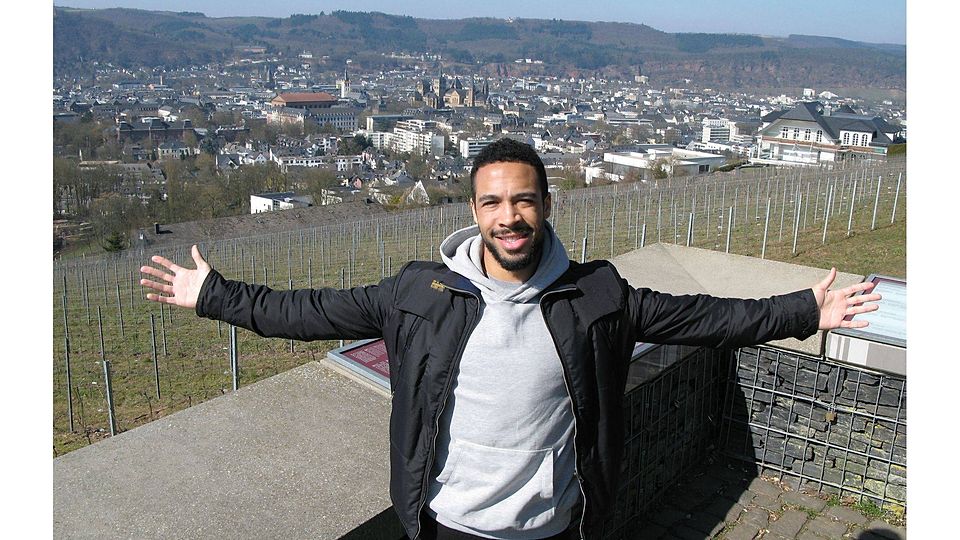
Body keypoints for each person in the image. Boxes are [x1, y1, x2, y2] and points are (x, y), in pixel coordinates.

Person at [140, 138, 880, 540]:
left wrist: (802, 311)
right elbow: (312, 312)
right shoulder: (420, 293)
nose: (509, 216)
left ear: (546, 205)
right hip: (445, 525)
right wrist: (214, 295)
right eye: (493, 201)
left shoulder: (597, 295)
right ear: (474, 209)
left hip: (557, 528)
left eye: (523, 199)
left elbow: (704, 319)